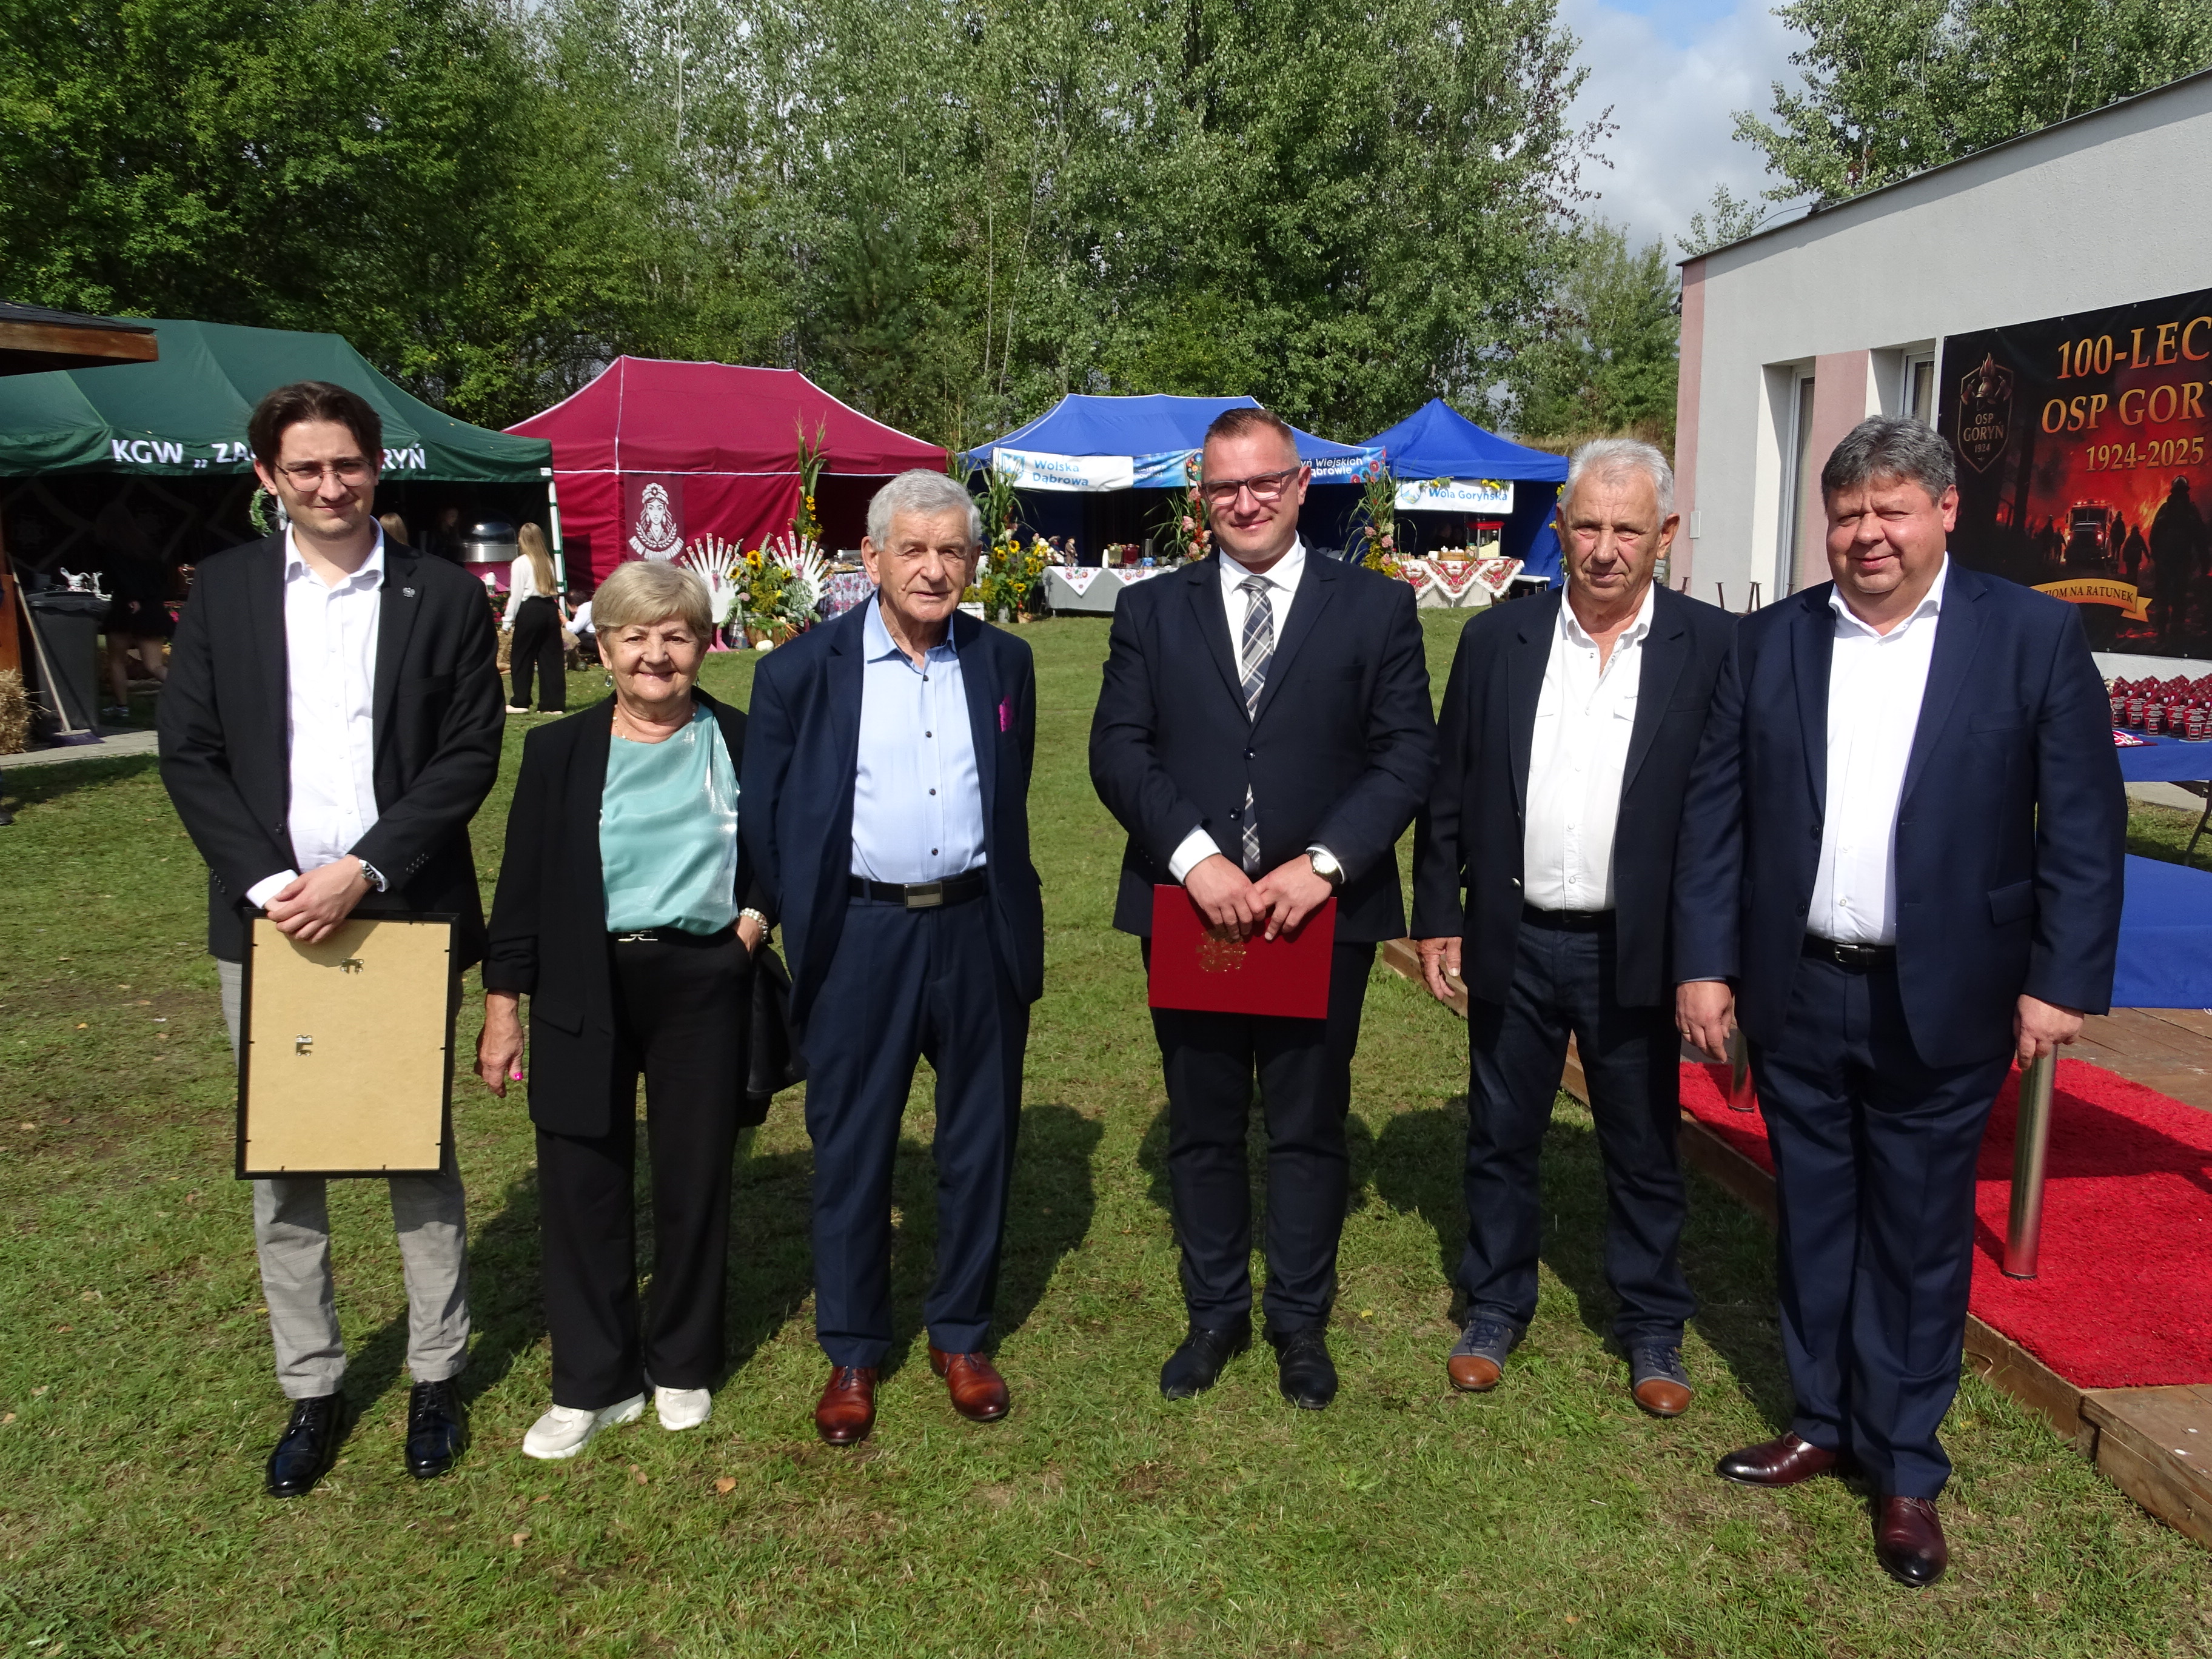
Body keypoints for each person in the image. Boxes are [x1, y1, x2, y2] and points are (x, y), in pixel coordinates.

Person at [1674, 417, 2125, 1587]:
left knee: (1920, 1235)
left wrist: (2058, 980)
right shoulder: (1769, 642)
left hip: (1946, 993)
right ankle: (1821, 1419)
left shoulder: (2027, 636)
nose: (1866, 533)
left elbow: (2082, 823)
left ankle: (1905, 1466)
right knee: (1815, 1217)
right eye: (1846, 513)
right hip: (1797, 987)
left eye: (1890, 510)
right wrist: (1704, 965)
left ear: (1944, 513)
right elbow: (1715, 817)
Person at [157, 380, 504, 1496]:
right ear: (268, 477)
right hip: (267, 923)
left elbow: (467, 753)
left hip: (400, 908)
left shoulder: (442, 595)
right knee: (285, 1163)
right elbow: (189, 751)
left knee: (416, 1153)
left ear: (375, 465)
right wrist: (273, 886)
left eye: (346, 464)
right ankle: (311, 1386)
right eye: (304, 468)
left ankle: (436, 1373)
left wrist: (363, 868)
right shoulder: (224, 591)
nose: (329, 485)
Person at [1089, 406, 1436, 1409]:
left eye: (1263, 482)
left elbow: (1406, 752)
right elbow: (1118, 747)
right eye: (1224, 487)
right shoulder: (1151, 611)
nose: (1245, 502)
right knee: (1201, 1125)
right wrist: (1193, 860)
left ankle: (1297, 1321)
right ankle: (1213, 1315)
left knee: (1307, 1124)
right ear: (1201, 500)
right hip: (1191, 909)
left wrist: (1322, 865)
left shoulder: (1375, 609)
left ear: (1299, 486)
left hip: (1318, 915)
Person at [1411, 439, 1735, 1415]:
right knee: (1501, 1131)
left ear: (1664, 535)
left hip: (1635, 947)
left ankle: (1652, 1323)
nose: (1603, 549)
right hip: (1514, 931)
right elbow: (1450, 788)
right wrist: (1439, 914)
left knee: (1641, 1142)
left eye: (1626, 530)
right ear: (1559, 527)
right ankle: (1494, 1304)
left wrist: (1708, 958)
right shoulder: (1496, 642)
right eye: (1586, 525)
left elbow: (1726, 818)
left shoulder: (1714, 647)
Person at [741, 469, 1044, 1447]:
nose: (932, 569)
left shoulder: (1004, 664)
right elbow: (767, 818)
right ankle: (853, 1348)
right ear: (870, 558)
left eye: (951, 550)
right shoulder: (799, 672)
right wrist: (791, 916)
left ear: (974, 560)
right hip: (860, 936)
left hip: (977, 927)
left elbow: (1008, 793)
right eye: (912, 549)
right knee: (854, 1147)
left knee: (979, 1143)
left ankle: (961, 1334)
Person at [476, 560, 767, 1458]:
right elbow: (521, 889)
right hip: (583, 978)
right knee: (580, 1182)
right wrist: (502, 1007)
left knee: (693, 1178)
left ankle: (681, 1362)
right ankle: (591, 1383)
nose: (655, 655)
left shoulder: (743, 739)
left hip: (701, 981)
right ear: (602, 649)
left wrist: (751, 928)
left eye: (676, 635)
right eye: (634, 636)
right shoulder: (558, 752)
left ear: (703, 645)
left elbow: (784, 850)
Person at [93, 498, 172, 721]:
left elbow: (117, 579)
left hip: (124, 609)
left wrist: (131, 597)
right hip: (151, 609)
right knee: (155, 665)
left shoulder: (110, 549)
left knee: (116, 661)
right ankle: (194, 697)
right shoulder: (146, 546)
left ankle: (122, 706)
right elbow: (161, 577)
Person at [503, 524, 568, 714]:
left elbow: (516, 595)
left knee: (522, 656)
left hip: (530, 610)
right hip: (549, 608)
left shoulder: (520, 563)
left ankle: (520, 702)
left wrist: (508, 620)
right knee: (551, 658)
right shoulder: (548, 562)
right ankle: (553, 704)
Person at [2149, 477, 2204, 643]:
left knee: (2167, 594)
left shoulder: (2166, 510)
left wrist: (2156, 556)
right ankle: (2172, 629)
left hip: (2170, 560)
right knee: (2176, 593)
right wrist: (2204, 560)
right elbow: (2200, 538)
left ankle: (2165, 630)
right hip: (2178, 560)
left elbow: (2154, 536)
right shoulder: (2189, 511)